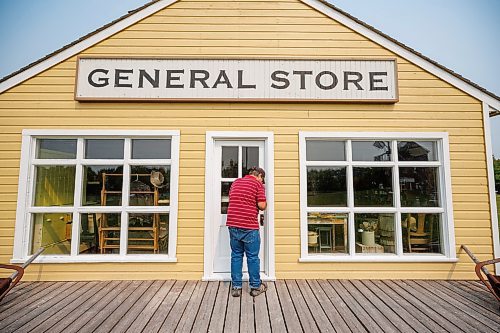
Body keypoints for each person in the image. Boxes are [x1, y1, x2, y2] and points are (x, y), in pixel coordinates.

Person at [226, 166, 267, 297]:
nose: (262, 182)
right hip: (249, 226)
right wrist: (265, 204)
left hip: (233, 224)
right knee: (253, 257)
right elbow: (261, 205)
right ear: (259, 175)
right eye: (262, 179)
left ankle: (236, 287)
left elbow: (233, 199)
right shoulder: (257, 184)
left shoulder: (236, 182)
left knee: (236, 255)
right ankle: (255, 287)